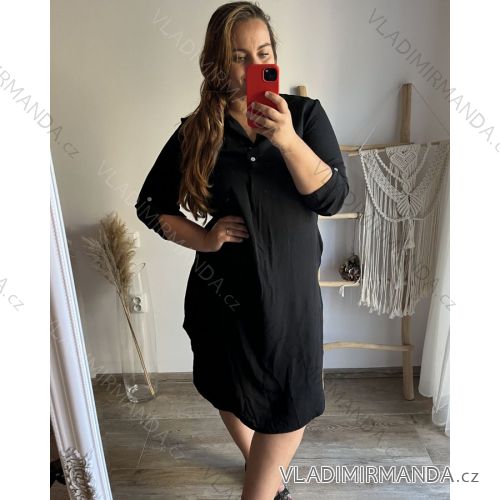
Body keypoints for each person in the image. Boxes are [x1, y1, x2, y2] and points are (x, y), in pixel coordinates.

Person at [135, 2, 349, 499]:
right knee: (229, 392)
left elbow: (333, 198)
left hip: (290, 302)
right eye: (239, 56)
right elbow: (150, 205)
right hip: (222, 298)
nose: (254, 66)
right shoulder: (197, 131)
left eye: (264, 53)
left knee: (291, 405)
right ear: (217, 65)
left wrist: (287, 140)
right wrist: (203, 238)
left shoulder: (305, 116)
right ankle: (264, 476)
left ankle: (261, 483)